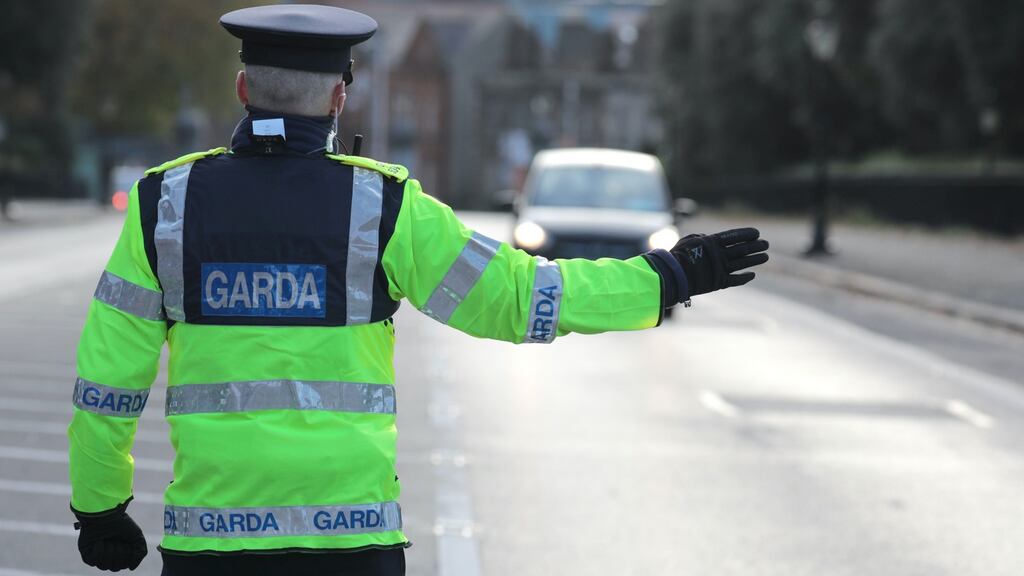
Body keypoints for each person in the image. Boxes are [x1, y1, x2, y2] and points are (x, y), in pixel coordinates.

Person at [66, 4, 769, 575]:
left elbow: (108, 380)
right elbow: (519, 299)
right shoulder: (382, 207)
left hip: (211, 545)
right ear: (341, 95)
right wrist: (668, 277)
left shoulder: (165, 203)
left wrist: (99, 507)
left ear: (244, 89)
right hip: (352, 544)